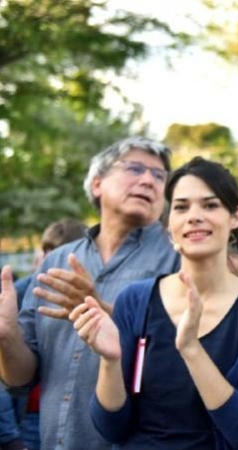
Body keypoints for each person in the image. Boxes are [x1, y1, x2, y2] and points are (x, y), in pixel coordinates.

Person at [68, 156, 238, 449]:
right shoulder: (136, 300)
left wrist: (191, 349)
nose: (194, 216)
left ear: (235, 217)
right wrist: (111, 360)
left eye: (210, 205)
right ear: (170, 223)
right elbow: (111, 428)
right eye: (181, 207)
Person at [0, 136, 180, 450]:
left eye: (159, 175)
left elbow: (179, 355)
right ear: (97, 183)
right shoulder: (57, 261)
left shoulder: (177, 257)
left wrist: (104, 311)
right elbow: (20, 379)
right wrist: (6, 336)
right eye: (135, 168)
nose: (148, 180)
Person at [7, 218, 87, 450]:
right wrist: (9, 434)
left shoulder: (91, 290)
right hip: (29, 413)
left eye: (57, 254)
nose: (48, 261)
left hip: (74, 412)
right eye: (46, 253)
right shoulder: (22, 291)